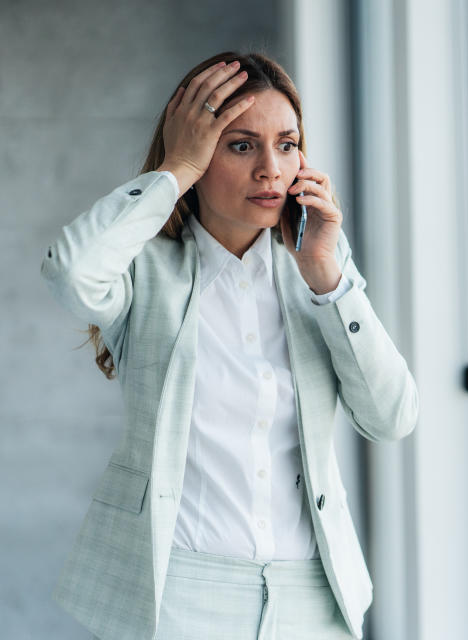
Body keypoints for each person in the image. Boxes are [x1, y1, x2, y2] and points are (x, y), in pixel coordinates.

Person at [40, 50, 419, 640]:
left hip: (311, 595)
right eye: (240, 145)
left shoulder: (317, 268)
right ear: (198, 151)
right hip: (178, 594)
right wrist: (176, 168)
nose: (271, 168)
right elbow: (71, 273)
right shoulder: (145, 268)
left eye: (287, 144)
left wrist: (329, 279)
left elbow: (391, 417)